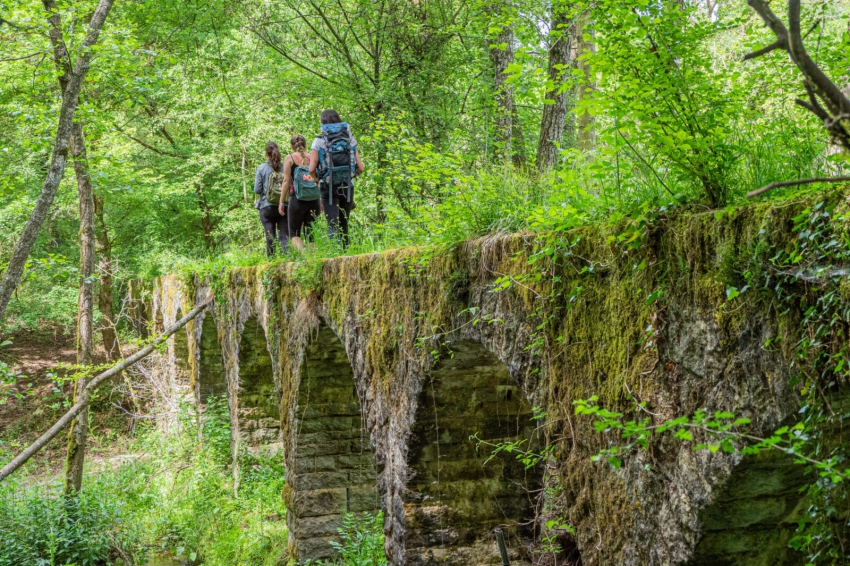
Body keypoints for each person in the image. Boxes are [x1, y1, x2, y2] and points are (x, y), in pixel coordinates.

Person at [309, 109, 364, 248]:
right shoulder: (349, 139)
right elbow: (361, 167)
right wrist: (352, 175)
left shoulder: (318, 141)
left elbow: (311, 169)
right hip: (347, 184)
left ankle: (334, 253)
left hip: (328, 186)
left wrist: (317, 180)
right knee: (344, 222)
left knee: (332, 223)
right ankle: (346, 252)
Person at [280, 134, 321, 251]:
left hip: (296, 200)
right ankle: (312, 259)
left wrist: (281, 202)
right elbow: (319, 180)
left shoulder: (290, 158)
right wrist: (321, 200)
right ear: (305, 144)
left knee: (294, 233)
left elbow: (286, 181)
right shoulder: (313, 157)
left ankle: (302, 257)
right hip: (314, 200)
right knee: (311, 235)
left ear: (292, 146)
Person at [254, 142, 289, 256]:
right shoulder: (285, 166)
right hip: (283, 205)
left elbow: (257, 190)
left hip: (266, 206)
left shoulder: (262, 168)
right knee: (284, 235)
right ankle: (287, 260)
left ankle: (271, 263)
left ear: (266, 153)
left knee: (270, 235)